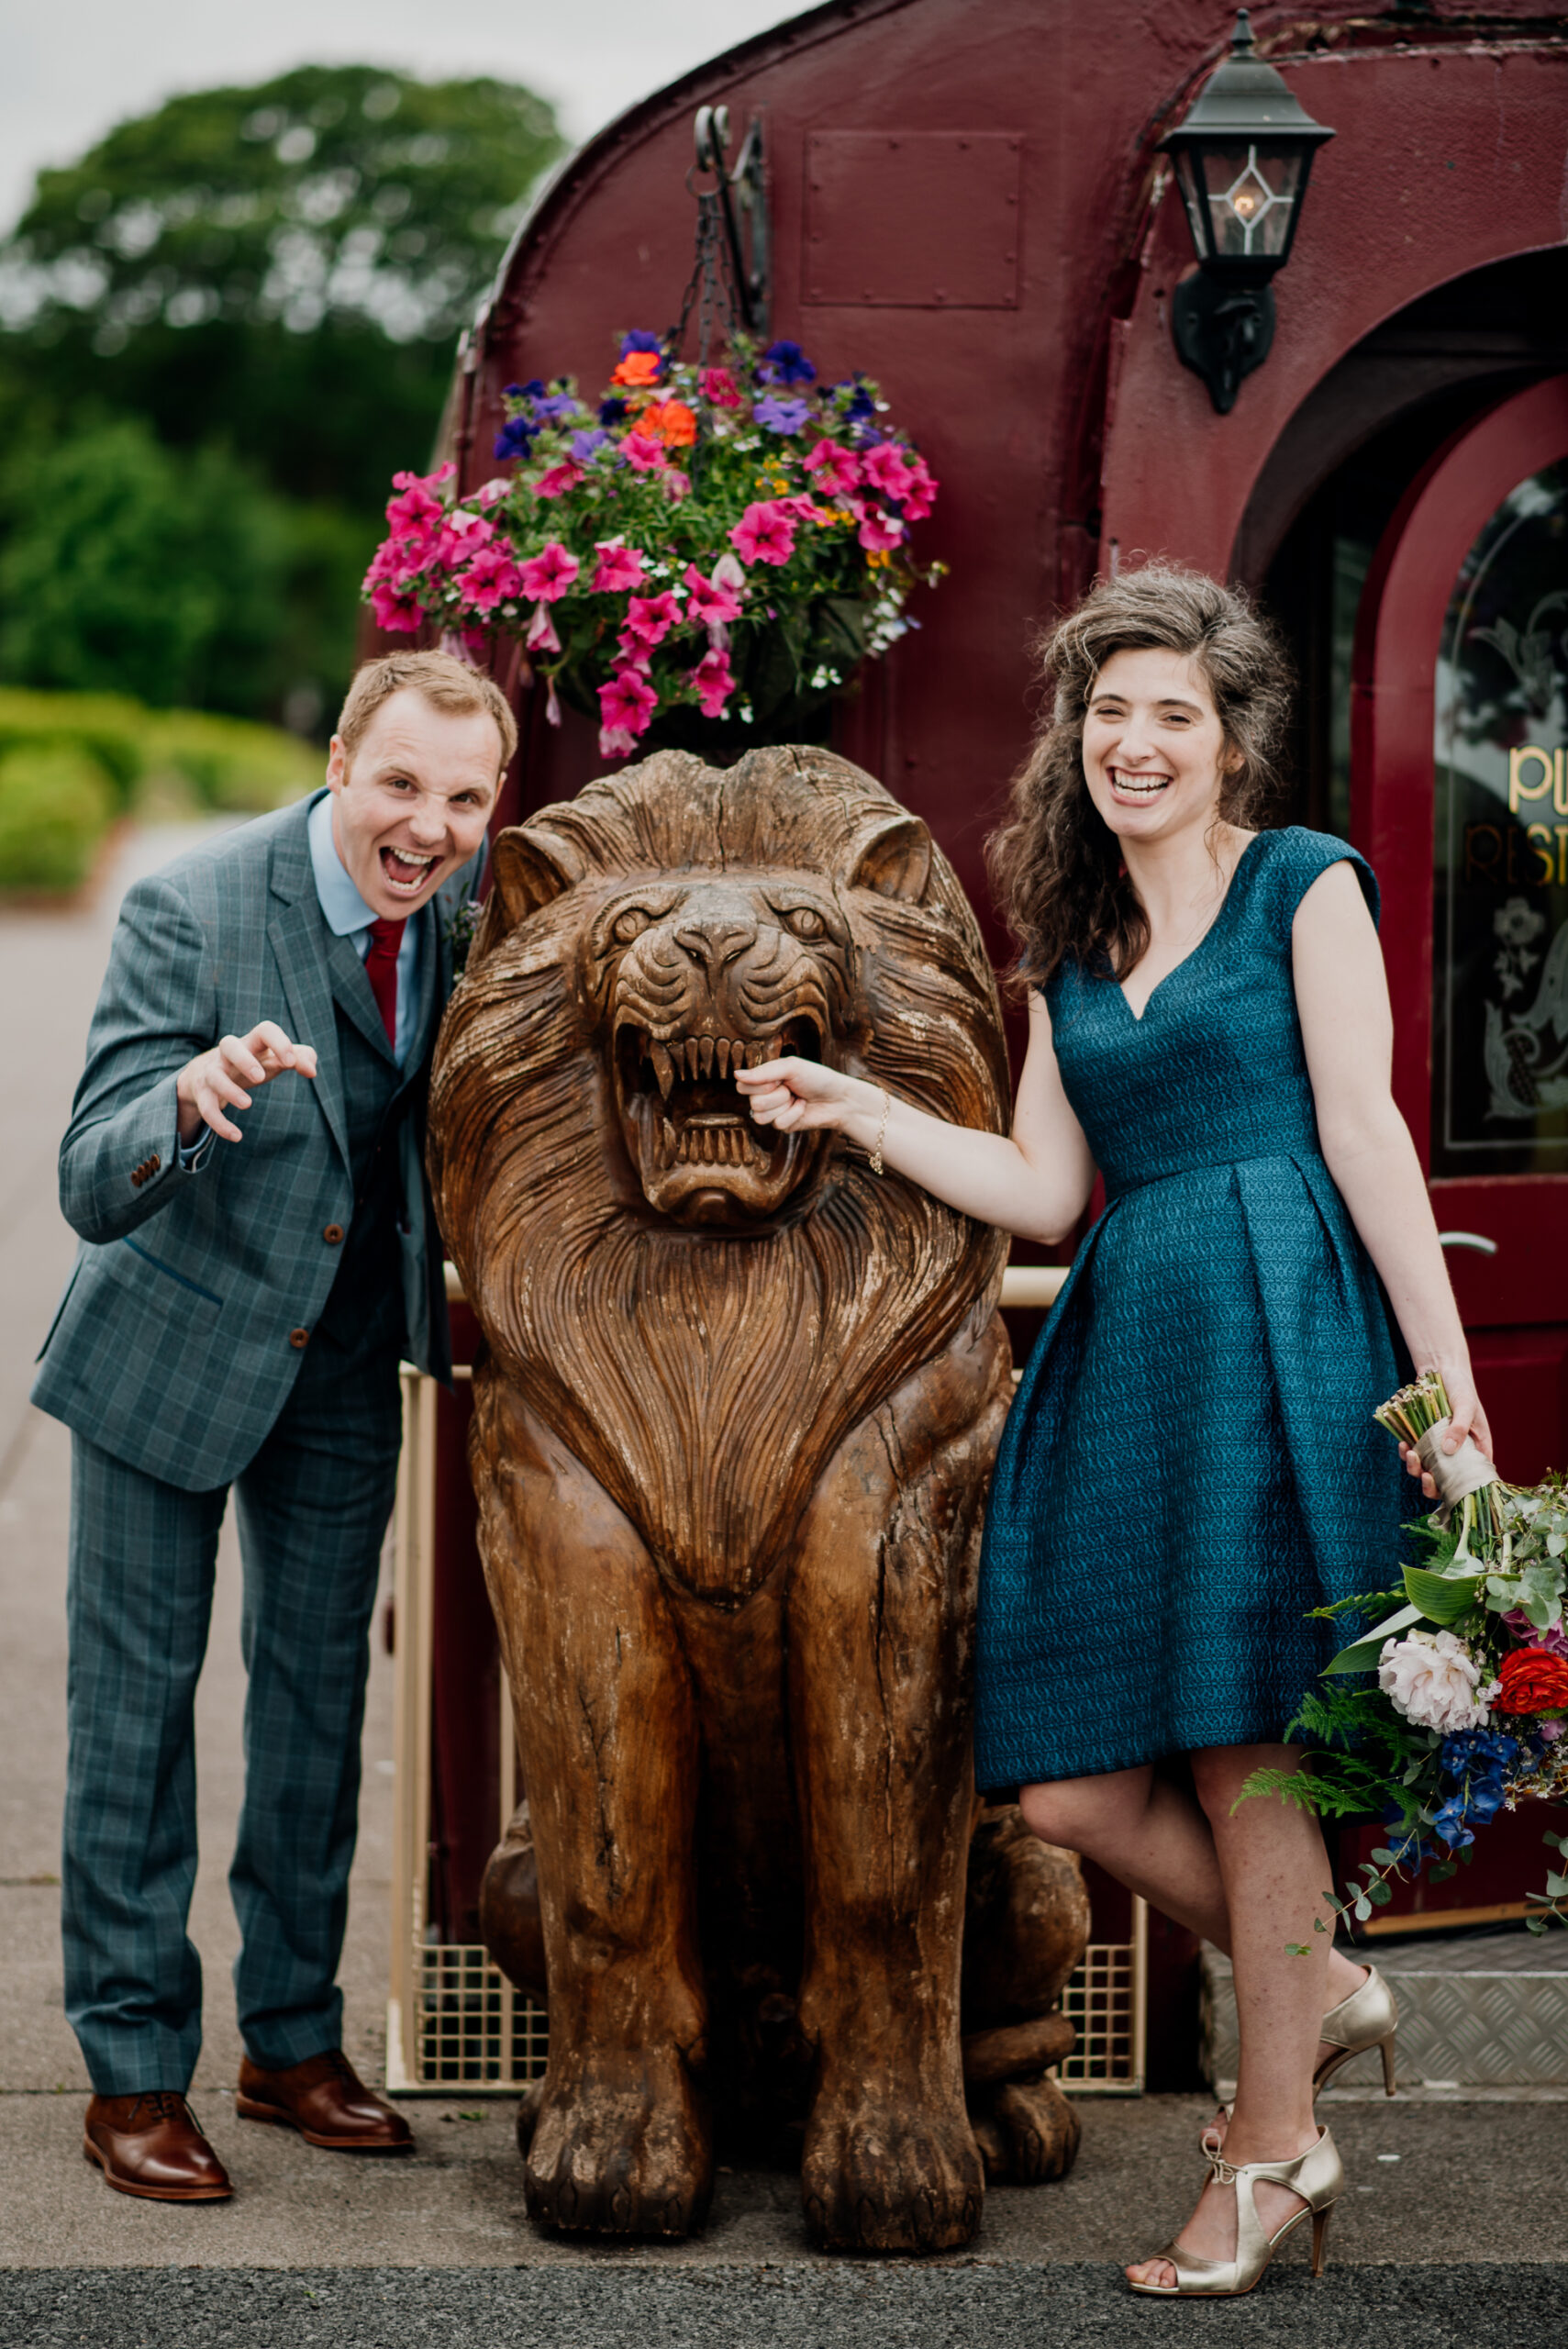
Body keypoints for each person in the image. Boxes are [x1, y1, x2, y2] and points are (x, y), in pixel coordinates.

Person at [737, 564, 1490, 2299]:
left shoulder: (1303, 887)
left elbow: (1369, 1141)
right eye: (1107, 710)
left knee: (1242, 1752)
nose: (1133, 742)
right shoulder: (1070, 954)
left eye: (1172, 714)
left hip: (1277, 1329)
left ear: (1230, 745)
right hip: (1125, 1345)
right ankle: (1326, 1983)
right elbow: (1042, 1187)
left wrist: (1440, 1412)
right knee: (1071, 1785)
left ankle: (1267, 2150)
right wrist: (857, 1111)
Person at [34, 650, 514, 2202]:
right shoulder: (194, 905)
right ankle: (130, 2076)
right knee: (137, 1713)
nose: (428, 824)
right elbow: (85, 1175)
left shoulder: (465, 912)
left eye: (461, 796)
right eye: (401, 784)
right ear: (339, 762)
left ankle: (289, 2039)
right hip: (166, 1354)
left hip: (346, 1358)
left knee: (315, 1709)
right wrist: (187, 1097)